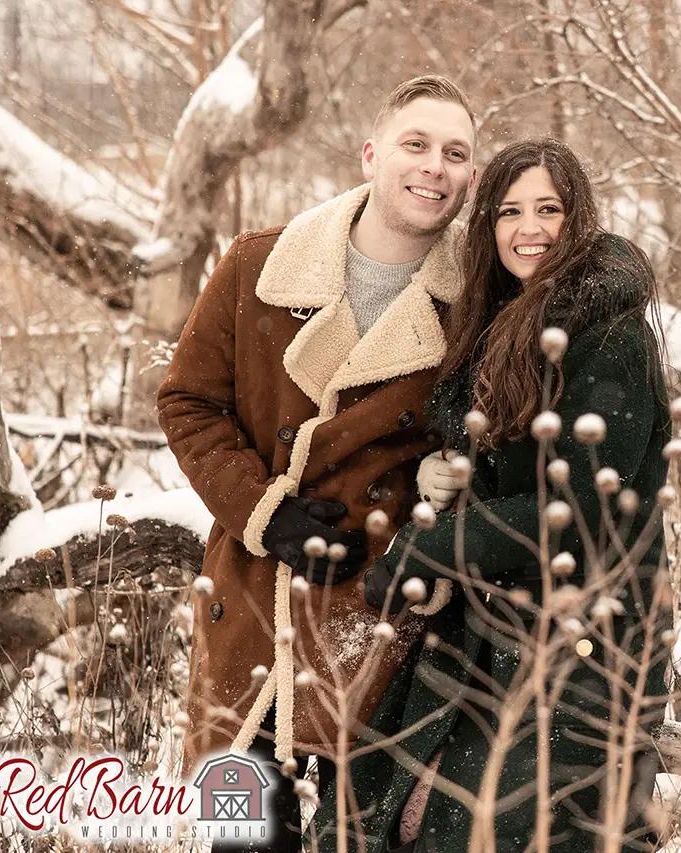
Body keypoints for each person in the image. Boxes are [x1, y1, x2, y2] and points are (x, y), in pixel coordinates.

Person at [315, 138, 672, 853]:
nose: (528, 228)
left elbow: (584, 509)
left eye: (548, 208)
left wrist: (435, 544)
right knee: (378, 810)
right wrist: (445, 475)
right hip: (490, 622)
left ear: (579, 218)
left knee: (502, 827)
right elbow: (509, 459)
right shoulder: (504, 318)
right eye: (509, 211)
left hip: (583, 636)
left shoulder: (607, 334)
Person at [156, 75, 477, 850]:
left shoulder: (477, 302)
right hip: (251, 603)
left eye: (456, 153)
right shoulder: (257, 267)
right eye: (416, 144)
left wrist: (453, 472)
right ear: (371, 155)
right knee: (242, 835)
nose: (436, 166)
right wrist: (265, 510)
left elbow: (500, 426)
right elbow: (188, 403)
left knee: (359, 839)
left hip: (379, 623)